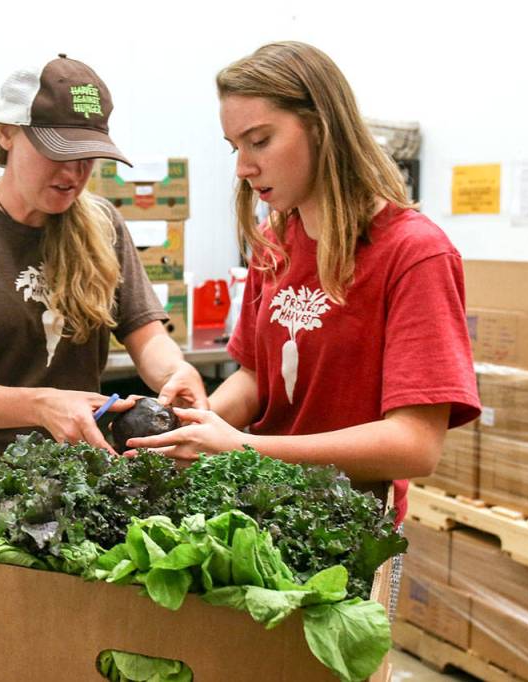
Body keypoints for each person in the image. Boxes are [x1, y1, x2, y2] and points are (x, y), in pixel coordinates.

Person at [0, 54, 208, 660]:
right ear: (6, 134)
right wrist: (43, 404)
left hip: (63, 500)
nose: (74, 172)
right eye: (57, 151)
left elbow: (146, 332)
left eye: (88, 157)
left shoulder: (102, 225)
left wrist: (175, 373)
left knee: (43, 662)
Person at [126, 41, 481, 521]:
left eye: (260, 140)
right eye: (235, 147)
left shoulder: (414, 253)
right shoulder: (276, 240)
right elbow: (255, 377)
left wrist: (244, 447)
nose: (243, 167)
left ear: (321, 127)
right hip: (263, 506)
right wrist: (192, 424)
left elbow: (414, 445)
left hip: (349, 525)